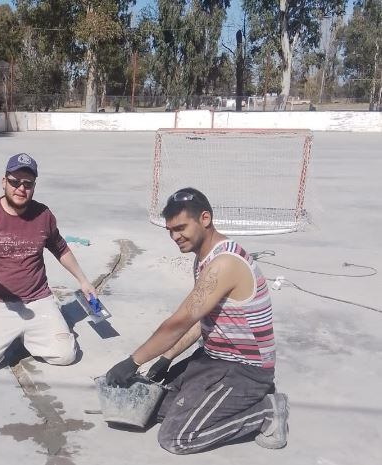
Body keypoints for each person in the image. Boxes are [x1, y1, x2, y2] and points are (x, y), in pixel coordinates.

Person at [106, 187, 288, 454]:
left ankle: (266, 412)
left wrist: (133, 361)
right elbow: (200, 320)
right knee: (156, 407)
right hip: (214, 359)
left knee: (177, 437)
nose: (175, 236)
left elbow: (179, 321)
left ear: (205, 219)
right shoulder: (203, 258)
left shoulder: (224, 263)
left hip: (245, 369)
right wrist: (166, 357)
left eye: (180, 228)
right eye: (170, 230)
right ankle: (233, 400)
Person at [0, 153, 96, 374]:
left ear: (34, 186)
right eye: (14, 181)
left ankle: (27, 333)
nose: (20, 188)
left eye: (27, 183)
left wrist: (83, 281)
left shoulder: (43, 214)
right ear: (4, 182)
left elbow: (60, 248)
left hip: (37, 299)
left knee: (66, 355)